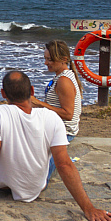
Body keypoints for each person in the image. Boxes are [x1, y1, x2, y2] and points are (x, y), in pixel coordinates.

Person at [0, 71, 111, 221]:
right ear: (32, 91)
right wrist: (89, 209)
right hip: (37, 187)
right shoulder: (52, 117)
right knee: (57, 158)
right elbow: (65, 165)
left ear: (3, 94)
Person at [30, 39, 83, 178]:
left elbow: (68, 114)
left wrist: (39, 103)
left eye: (50, 59)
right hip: (58, 127)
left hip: (64, 131)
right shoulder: (62, 76)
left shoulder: (64, 81)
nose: (46, 63)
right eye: (45, 59)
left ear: (63, 60)